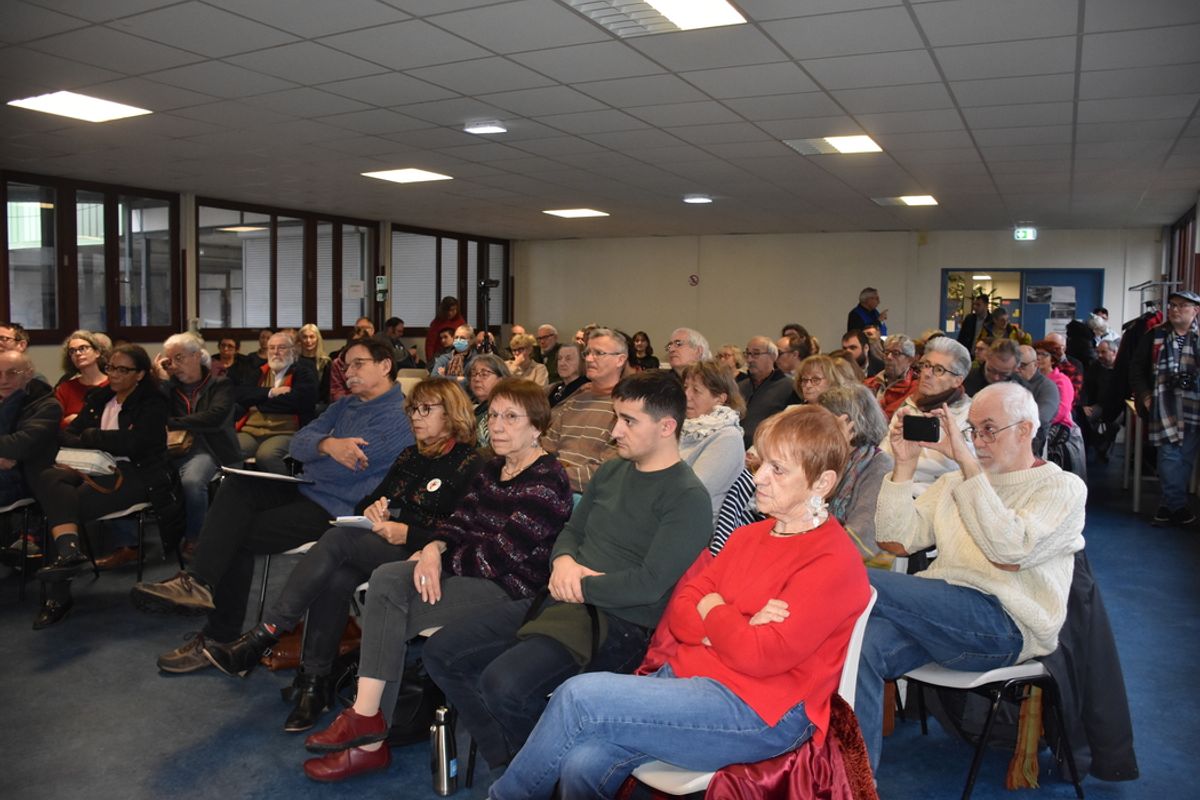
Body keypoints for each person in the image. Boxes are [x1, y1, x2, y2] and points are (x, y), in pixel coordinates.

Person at [486, 404, 870, 799]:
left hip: (758, 711)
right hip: (693, 679)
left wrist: (715, 608)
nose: (758, 478)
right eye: (761, 463)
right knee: (584, 762)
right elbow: (683, 613)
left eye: (778, 470)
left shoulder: (831, 561)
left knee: (577, 696)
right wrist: (736, 622)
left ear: (822, 483)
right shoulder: (749, 537)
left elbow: (758, 655)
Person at [422, 370, 713, 785]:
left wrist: (580, 584)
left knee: (503, 684)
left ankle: (529, 776)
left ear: (667, 427)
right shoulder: (612, 472)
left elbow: (650, 584)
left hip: (620, 623)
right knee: (442, 653)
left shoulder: (687, 497)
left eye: (628, 421)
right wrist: (562, 564)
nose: (615, 431)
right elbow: (572, 532)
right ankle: (520, 766)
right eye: (616, 417)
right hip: (562, 599)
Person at [297, 378, 573, 781]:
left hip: (513, 591)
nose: (496, 425)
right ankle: (367, 723)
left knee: (387, 610)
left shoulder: (547, 480)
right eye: (493, 415)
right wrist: (433, 548)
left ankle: (368, 732)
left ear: (537, 426)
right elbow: (459, 521)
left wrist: (439, 561)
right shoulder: (494, 467)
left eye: (511, 417)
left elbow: (497, 558)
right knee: (389, 580)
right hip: (472, 574)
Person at [200, 378, 484, 729]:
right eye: (413, 409)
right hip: (386, 545)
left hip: (428, 558)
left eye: (427, 409)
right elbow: (368, 500)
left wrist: (408, 532)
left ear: (452, 413)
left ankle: (265, 635)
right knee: (336, 576)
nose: (416, 417)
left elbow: (464, 533)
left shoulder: (472, 463)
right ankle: (313, 684)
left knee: (337, 541)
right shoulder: (411, 456)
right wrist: (375, 509)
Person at [130, 337, 415, 672]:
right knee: (237, 482)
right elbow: (298, 443)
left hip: (338, 510)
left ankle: (217, 635)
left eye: (358, 364)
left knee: (234, 535)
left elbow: (350, 469)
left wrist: (320, 453)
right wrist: (328, 445)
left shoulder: (400, 417)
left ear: (385, 366)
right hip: (307, 487)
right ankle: (198, 583)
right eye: (345, 365)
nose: (348, 372)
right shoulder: (344, 406)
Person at [856, 381, 1087, 772]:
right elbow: (896, 541)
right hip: (944, 619)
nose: (978, 440)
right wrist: (905, 466)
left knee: (853, 580)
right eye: (972, 430)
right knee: (862, 645)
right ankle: (855, 781)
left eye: (988, 430)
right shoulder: (952, 483)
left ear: (1025, 430)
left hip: (1006, 626)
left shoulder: (1062, 487)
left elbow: (1009, 551)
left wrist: (967, 466)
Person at [33, 344, 169, 629]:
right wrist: (102, 439)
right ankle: (70, 551)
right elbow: (66, 434)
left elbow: (137, 444)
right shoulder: (99, 398)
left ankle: (57, 597)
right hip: (89, 465)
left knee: (62, 509)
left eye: (123, 370)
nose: (114, 375)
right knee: (50, 479)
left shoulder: (153, 403)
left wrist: (93, 435)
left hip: (135, 474)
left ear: (140, 374)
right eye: (111, 368)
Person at [159, 332, 239, 553]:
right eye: (169, 361)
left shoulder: (220, 384)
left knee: (192, 482)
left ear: (196, 356)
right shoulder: (169, 387)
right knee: (144, 476)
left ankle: (196, 537)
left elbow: (214, 418)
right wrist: (163, 383)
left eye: (179, 358)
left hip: (210, 447)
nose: (173, 365)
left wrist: (173, 422)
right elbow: (153, 415)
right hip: (171, 449)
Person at [1131, 289, 1200, 526]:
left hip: (1194, 407)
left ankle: (1167, 504)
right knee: (1169, 456)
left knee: (1186, 458)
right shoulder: (1154, 335)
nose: (1174, 309)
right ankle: (1178, 507)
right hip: (1163, 403)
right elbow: (1136, 369)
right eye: (1172, 305)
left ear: (1195, 311)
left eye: (1181, 306)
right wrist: (1146, 395)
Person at [881, 336, 974, 495]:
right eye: (926, 365)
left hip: (939, 502)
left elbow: (965, 471)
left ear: (957, 381)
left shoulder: (970, 416)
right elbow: (883, 454)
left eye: (938, 370)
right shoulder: (909, 407)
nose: (927, 374)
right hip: (896, 490)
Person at [542, 328, 628, 494]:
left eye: (598, 353)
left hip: (585, 496)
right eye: (587, 353)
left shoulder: (627, 409)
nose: (589, 359)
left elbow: (606, 474)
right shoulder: (575, 400)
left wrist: (550, 475)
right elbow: (546, 447)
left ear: (620, 360)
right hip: (553, 484)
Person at [816, 384, 892, 563]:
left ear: (849, 424)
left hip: (853, 562)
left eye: (821, 422)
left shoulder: (878, 466)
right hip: (819, 548)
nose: (813, 430)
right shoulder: (823, 457)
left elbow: (863, 537)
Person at [234, 331, 318, 475]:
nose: (276, 352)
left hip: (285, 432)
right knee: (227, 449)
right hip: (251, 431)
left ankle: (286, 493)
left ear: (292, 350)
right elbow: (239, 394)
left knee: (266, 456)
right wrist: (271, 392)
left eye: (281, 347)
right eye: (271, 348)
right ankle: (240, 492)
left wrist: (258, 401)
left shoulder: (304, 371)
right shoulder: (257, 371)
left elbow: (299, 402)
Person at [680, 360, 746, 519]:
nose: (686, 395)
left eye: (696, 390)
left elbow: (693, 495)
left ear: (720, 398)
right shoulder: (678, 425)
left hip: (694, 525)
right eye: (685, 387)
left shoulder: (728, 437)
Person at [0, 350, 61, 512]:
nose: (3, 380)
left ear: (29, 374)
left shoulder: (48, 406)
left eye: (12, 373)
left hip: (26, 479)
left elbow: (21, 445)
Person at [737, 336, 794, 448]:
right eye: (747, 354)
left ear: (773, 356)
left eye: (756, 354)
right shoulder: (740, 386)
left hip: (765, 450)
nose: (749, 359)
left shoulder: (789, 387)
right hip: (735, 447)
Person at [54, 330, 108, 428]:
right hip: (72, 441)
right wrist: (68, 421)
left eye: (83, 348)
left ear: (97, 352)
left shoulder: (113, 384)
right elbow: (54, 423)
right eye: (72, 351)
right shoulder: (65, 389)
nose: (78, 353)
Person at [864, 333, 917, 419]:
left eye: (896, 353)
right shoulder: (869, 384)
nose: (889, 357)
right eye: (886, 352)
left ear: (910, 360)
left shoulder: (915, 389)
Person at [327, 318, 376, 402]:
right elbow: (337, 392)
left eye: (361, 343)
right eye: (354, 343)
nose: (357, 347)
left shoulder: (374, 361)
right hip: (346, 405)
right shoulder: (338, 363)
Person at [469, 354, 511, 450]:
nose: (477, 379)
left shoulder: (507, 410)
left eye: (484, 374)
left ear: (501, 379)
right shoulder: (471, 408)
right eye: (474, 374)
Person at [296, 323, 332, 402]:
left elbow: (326, 390)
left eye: (312, 337)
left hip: (318, 405)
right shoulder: (295, 361)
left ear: (317, 339)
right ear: (300, 340)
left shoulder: (325, 362)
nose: (308, 341)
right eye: (305, 337)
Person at [426, 296, 465, 363]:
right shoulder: (436, 323)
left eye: (453, 310)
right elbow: (430, 344)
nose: (450, 313)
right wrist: (430, 360)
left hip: (457, 356)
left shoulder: (460, 322)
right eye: (448, 310)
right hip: (439, 356)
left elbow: (465, 341)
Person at [547, 343, 586, 408]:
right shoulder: (553, 388)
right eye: (559, 358)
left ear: (581, 362)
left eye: (568, 359)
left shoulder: (586, 389)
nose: (562, 363)